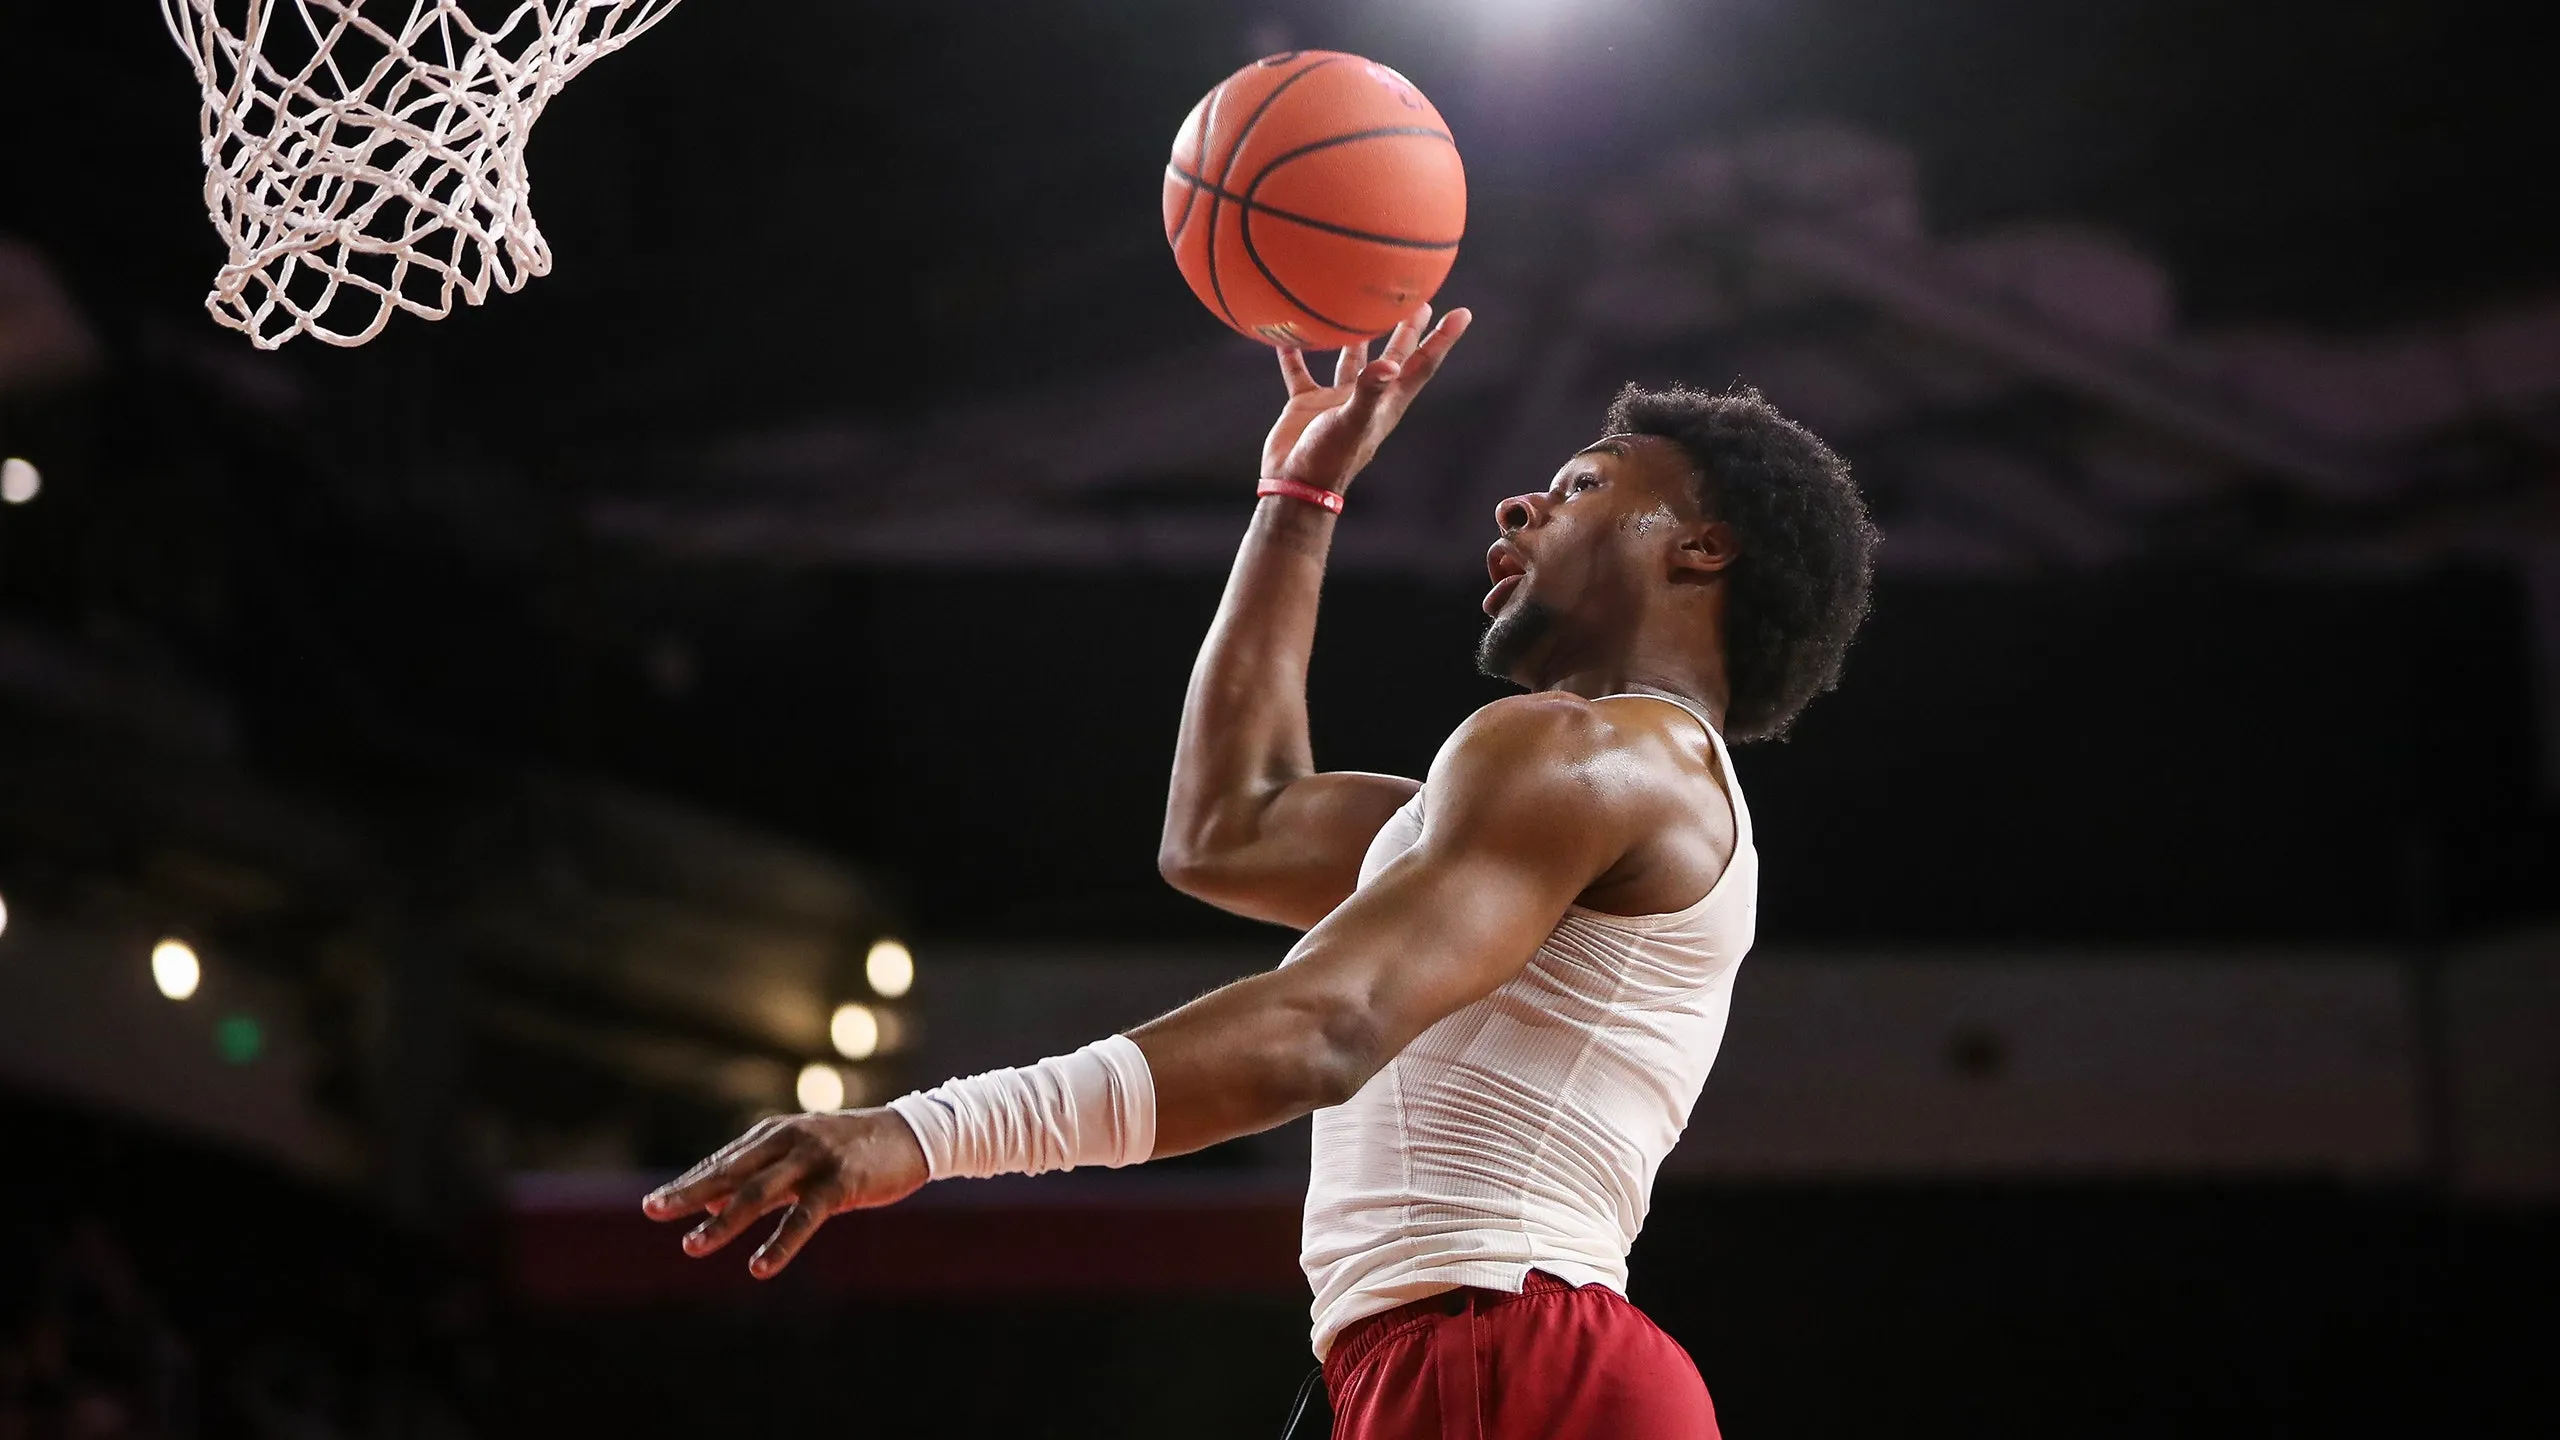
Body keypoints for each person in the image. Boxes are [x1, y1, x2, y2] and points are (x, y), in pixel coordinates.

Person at [642, 302, 1879, 1438]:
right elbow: (1227, 828)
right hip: (1477, 1352)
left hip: (1505, 1347)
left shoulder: (1584, 754)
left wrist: (917, 1134)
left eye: (1583, 485)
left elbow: (1322, 1028)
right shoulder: (1584, 795)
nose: (1519, 507)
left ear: (1701, 552)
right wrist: (1298, 495)